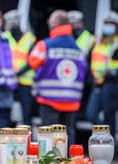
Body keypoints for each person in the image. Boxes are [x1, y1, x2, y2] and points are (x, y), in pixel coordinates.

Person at [28, 10, 86, 145]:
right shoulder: (78, 49)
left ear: (54, 23)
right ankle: (70, 162)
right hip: (72, 99)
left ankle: (51, 163)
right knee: (68, 132)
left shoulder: (45, 45)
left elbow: (32, 61)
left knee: (49, 134)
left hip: (49, 98)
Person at [86, 11, 118, 138]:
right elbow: (92, 61)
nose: (108, 26)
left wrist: (114, 72)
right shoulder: (97, 41)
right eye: (106, 23)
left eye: (111, 24)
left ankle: (110, 142)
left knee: (108, 113)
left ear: (117, 26)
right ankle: (108, 138)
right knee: (90, 114)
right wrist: (92, 77)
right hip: (98, 83)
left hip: (113, 83)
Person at [3, 9, 36, 125]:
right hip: (8, 82)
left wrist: (18, 72)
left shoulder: (30, 39)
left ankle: (28, 141)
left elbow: (33, 61)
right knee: (7, 115)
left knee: (26, 116)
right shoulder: (4, 37)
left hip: (25, 83)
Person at [68, 10, 95, 121]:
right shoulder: (68, 38)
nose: (75, 26)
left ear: (82, 24)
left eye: (77, 23)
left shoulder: (90, 39)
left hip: (84, 78)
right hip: (70, 77)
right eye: (72, 24)